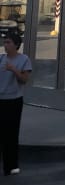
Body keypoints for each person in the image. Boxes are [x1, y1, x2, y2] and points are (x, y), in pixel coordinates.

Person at [0, 32, 32, 176]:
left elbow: (24, 79)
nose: (5, 45)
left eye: (8, 42)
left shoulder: (24, 59)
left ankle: (11, 166)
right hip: (1, 99)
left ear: (16, 45)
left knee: (11, 134)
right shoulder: (1, 58)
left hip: (13, 100)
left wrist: (14, 69)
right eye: (4, 42)